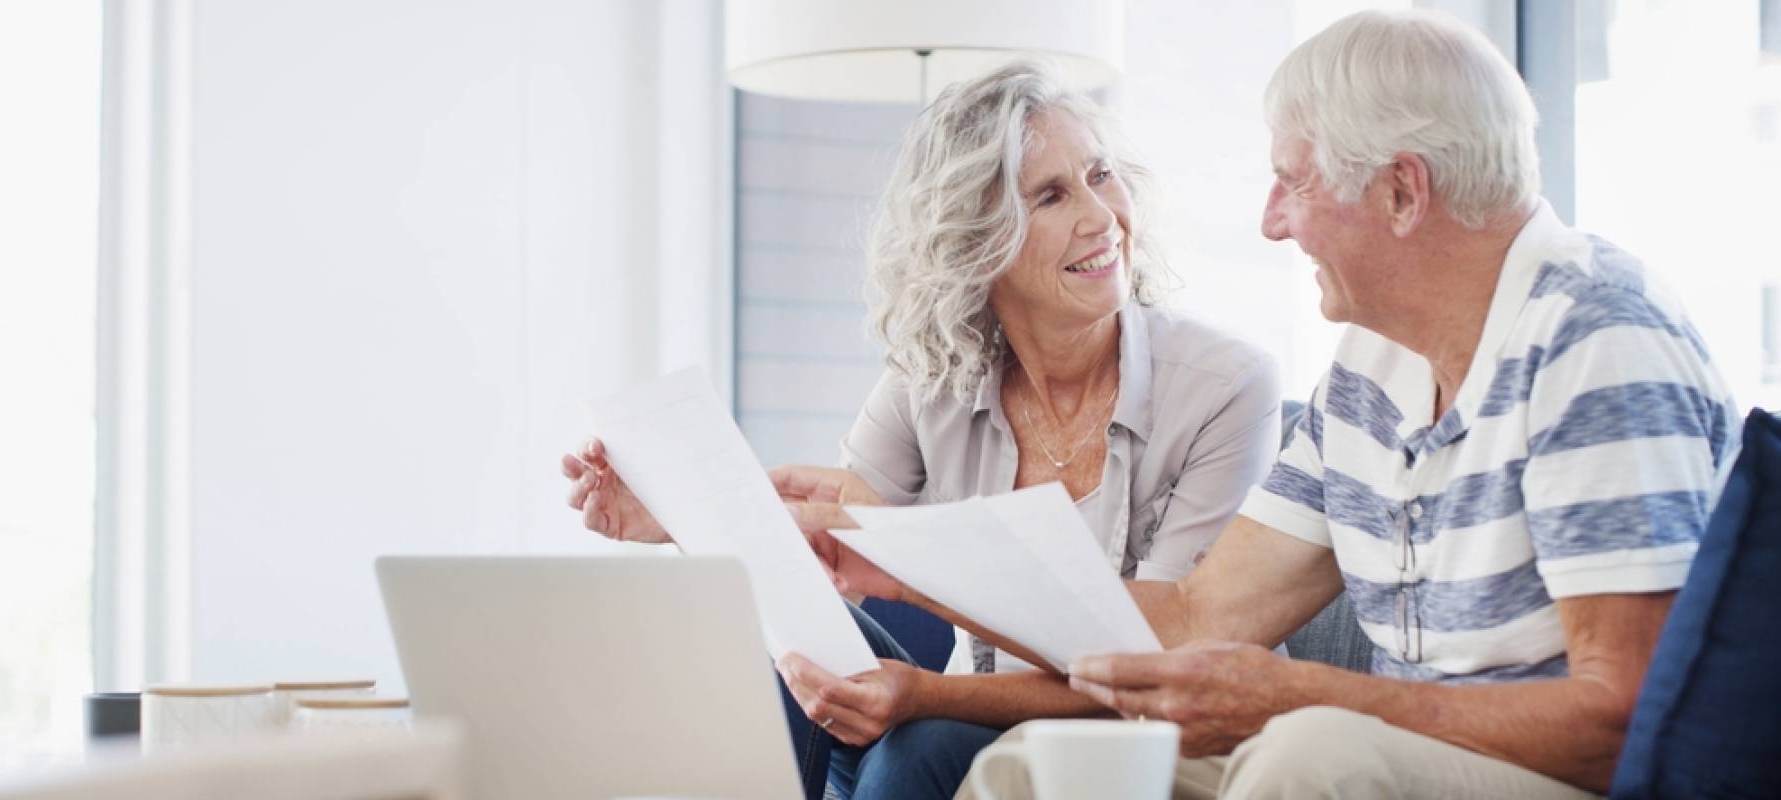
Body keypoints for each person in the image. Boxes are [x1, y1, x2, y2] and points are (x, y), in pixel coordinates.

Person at [794, 10, 1740, 799]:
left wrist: (1300, 698)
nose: (1271, 220)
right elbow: (1196, 616)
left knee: (1308, 752)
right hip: (1413, 754)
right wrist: (901, 568)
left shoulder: (1596, 336)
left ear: (1402, 191)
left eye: (1293, 181)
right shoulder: (1371, 369)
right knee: (1036, 770)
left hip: (1574, 778)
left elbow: (1624, 717)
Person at [560, 60, 1281, 800]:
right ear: (977, 241)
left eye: (1100, 175)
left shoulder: (1225, 387)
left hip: (1133, 735)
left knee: (920, 750)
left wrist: (926, 695)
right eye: (1051, 196)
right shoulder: (932, 379)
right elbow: (821, 562)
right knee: (787, 661)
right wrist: (677, 516)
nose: (1101, 217)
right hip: (955, 719)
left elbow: (1159, 662)